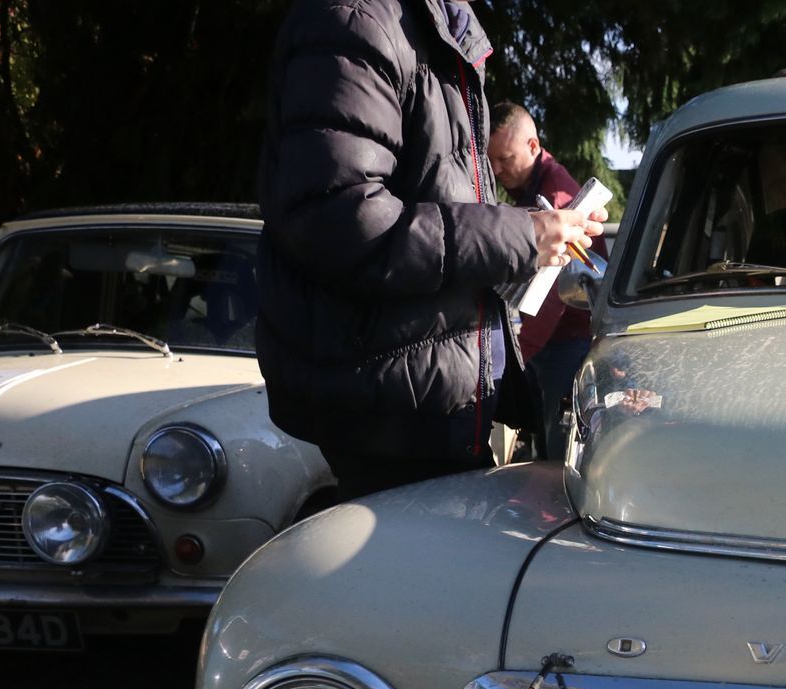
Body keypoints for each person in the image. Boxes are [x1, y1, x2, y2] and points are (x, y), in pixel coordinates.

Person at [255, 0, 605, 500]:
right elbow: (341, 219)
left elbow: (443, 212)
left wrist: (525, 238)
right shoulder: (357, 22)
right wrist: (520, 236)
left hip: (429, 398)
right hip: (391, 408)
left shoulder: (435, 30)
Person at [488, 101, 605, 461]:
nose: (497, 170)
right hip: (549, 344)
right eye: (492, 160)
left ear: (533, 146)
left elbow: (552, 292)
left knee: (556, 458)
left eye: (505, 159)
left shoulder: (556, 199)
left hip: (565, 345)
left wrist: (516, 359)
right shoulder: (534, 190)